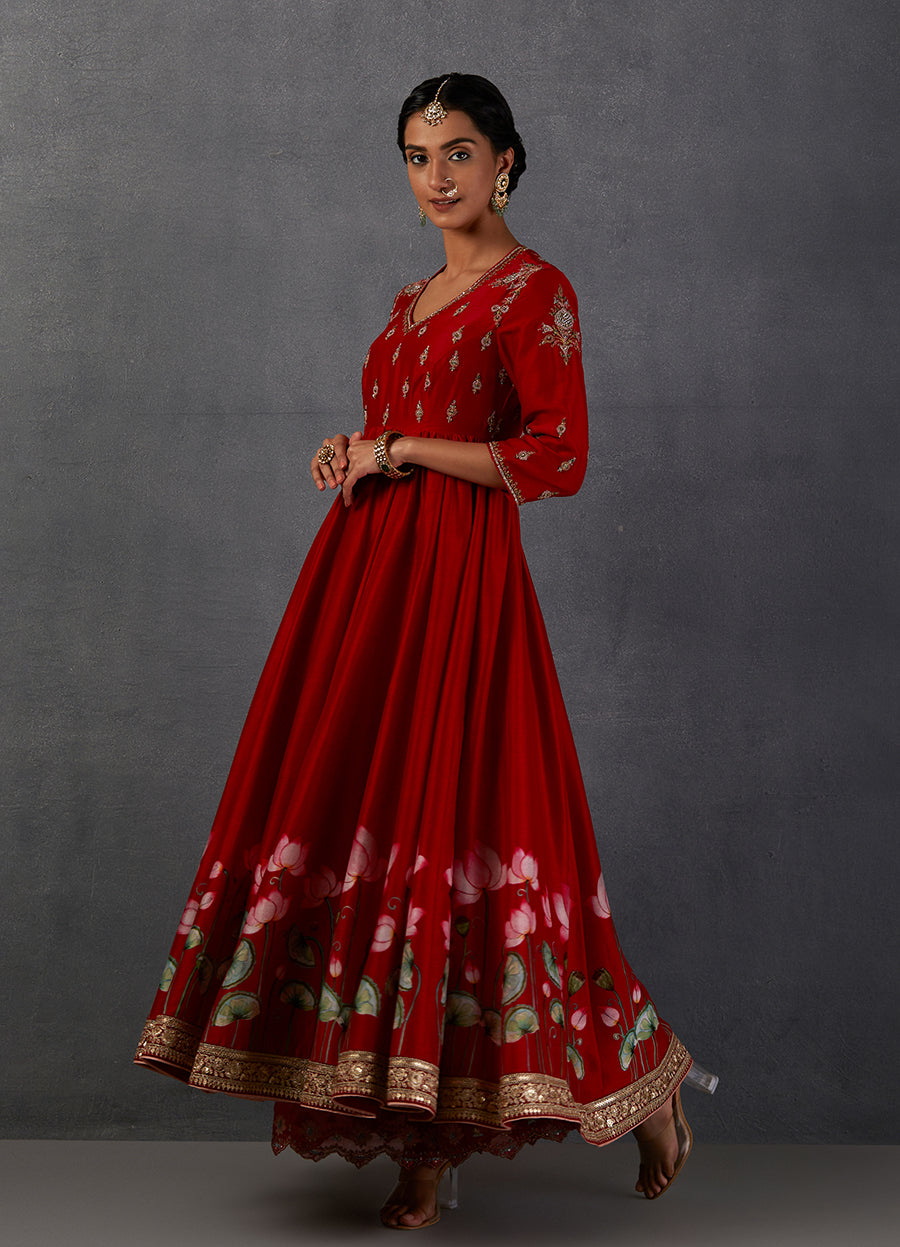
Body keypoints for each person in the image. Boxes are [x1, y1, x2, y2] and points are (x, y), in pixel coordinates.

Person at [134, 72, 695, 1230]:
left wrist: (399, 447)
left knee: (461, 836)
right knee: (370, 833)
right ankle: (418, 1147)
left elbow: (555, 456)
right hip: (367, 586)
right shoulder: (413, 297)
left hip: (460, 595)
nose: (436, 178)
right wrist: (356, 450)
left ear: (505, 162)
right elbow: (412, 428)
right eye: (415, 156)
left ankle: (648, 1084)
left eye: (458, 153)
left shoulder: (536, 292)